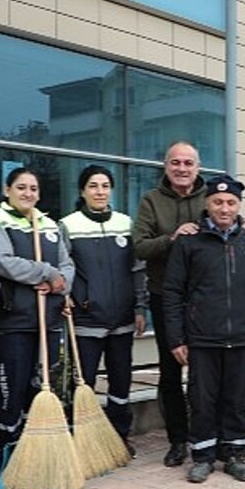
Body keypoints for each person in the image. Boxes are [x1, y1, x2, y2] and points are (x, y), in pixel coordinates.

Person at [164, 174, 245, 483]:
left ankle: (234, 455)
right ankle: (202, 456)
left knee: (237, 399)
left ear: (239, 205)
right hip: (202, 338)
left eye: (230, 203)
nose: (224, 209)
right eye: (217, 202)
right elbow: (173, 292)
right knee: (202, 400)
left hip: (243, 336)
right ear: (207, 203)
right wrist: (176, 338)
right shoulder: (189, 242)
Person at [0, 167, 74, 456]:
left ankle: (36, 456)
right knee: (12, 394)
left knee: (41, 390)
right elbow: (3, 262)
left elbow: (67, 265)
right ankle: (7, 454)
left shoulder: (49, 224)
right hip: (12, 323)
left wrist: (60, 285)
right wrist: (46, 273)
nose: (28, 193)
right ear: (7, 190)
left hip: (48, 321)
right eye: (21, 187)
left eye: (33, 188)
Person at [60, 165, 147, 458]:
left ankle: (118, 437)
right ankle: (82, 440)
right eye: (93, 186)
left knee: (121, 381)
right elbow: (64, 267)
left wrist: (139, 306)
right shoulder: (68, 225)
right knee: (84, 382)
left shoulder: (125, 223)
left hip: (122, 319)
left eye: (105, 185)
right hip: (86, 319)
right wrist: (70, 297)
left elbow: (137, 269)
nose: (100, 191)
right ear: (83, 191)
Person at [132, 141, 207, 467]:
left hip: (206, 299)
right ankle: (177, 440)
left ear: (198, 167)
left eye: (188, 163)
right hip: (166, 298)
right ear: (166, 166)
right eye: (175, 162)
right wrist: (172, 238)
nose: (182, 168)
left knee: (206, 371)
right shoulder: (151, 201)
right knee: (171, 372)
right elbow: (139, 246)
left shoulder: (210, 197)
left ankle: (206, 435)